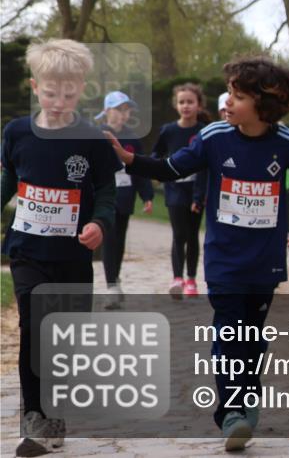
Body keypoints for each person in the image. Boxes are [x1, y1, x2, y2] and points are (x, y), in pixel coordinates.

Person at [106, 56, 289, 451]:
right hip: (223, 258)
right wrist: (131, 160)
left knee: (251, 338)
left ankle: (246, 398)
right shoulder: (215, 136)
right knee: (228, 330)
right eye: (229, 95)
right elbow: (171, 167)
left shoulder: (288, 142)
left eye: (237, 96)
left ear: (264, 101)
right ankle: (231, 412)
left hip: (266, 260)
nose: (228, 103)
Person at [2, 39, 119, 457]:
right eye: (51, 93)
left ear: (81, 89)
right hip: (27, 251)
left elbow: (105, 189)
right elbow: (8, 180)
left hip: (72, 257)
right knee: (35, 325)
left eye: (69, 94)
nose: (59, 101)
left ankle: (55, 414)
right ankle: (35, 420)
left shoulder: (91, 138)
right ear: (36, 87)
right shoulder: (16, 132)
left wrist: (99, 222)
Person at [95, 91, 154, 309]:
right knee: (109, 241)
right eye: (119, 109)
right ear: (107, 111)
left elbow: (139, 170)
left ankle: (115, 280)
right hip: (103, 198)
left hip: (125, 198)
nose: (123, 114)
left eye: (126, 110)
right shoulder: (97, 135)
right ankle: (111, 286)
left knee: (119, 242)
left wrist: (146, 195)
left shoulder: (132, 140)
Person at [153, 84, 209, 298]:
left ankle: (192, 279)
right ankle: (177, 278)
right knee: (179, 235)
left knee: (193, 235)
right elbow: (156, 154)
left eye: (190, 102)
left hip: (195, 190)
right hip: (174, 190)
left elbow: (205, 165)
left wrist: (199, 195)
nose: (186, 106)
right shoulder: (168, 130)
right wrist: (160, 169)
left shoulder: (203, 131)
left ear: (198, 105)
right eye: (182, 102)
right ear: (176, 105)